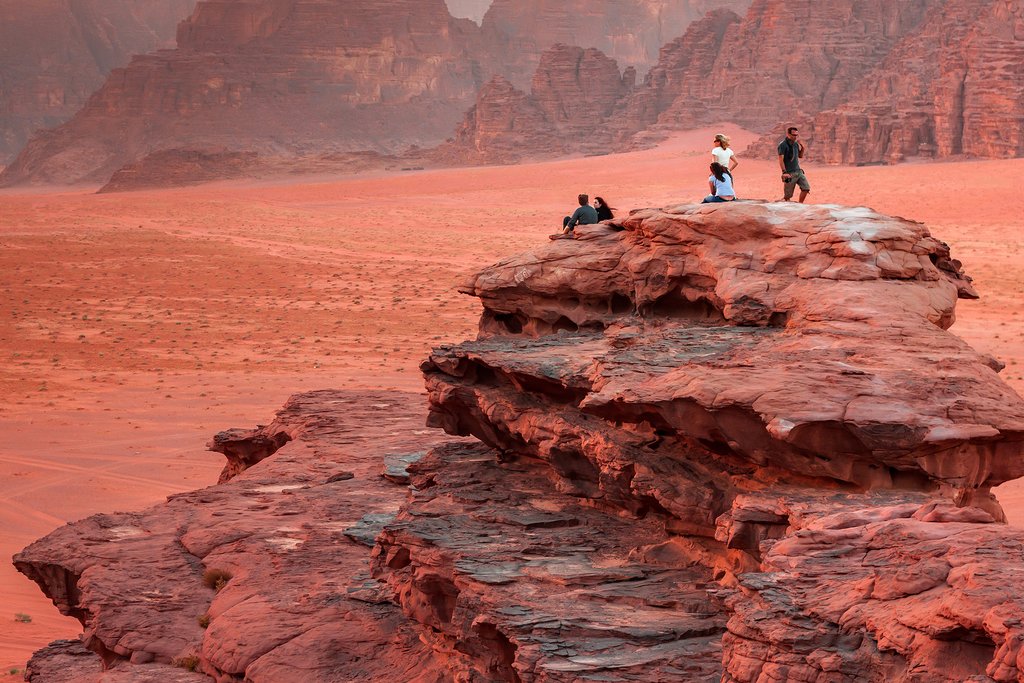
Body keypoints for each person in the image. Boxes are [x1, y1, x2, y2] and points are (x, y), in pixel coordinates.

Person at [778, 126, 810, 202]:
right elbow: (781, 159)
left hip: (798, 171)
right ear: (788, 134)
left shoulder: (795, 144)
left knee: (806, 188)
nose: (795, 137)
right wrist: (784, 172)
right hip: (789, 173)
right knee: (788, 196)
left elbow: (800, 156)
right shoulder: (783, 145)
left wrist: (802, 147)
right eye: (793, 135)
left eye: (796, 135)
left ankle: (800, 205)